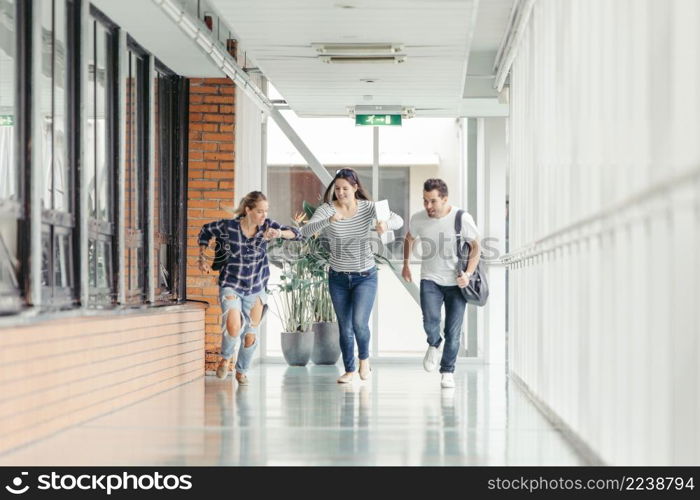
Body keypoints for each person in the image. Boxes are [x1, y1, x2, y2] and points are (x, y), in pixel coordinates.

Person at [300, 168, 403, 383]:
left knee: (359, 323)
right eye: (337, 189)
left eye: (345, 188)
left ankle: (364, 359)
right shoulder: (327, 210)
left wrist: (385, 224)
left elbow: (398, 220)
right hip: (338, 277)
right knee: (344, 327)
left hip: (365, 276)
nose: (340, 192)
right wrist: (327, 222)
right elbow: (306, 232)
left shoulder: (367, 208)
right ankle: (349, 370)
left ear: (355, 188)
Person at [198, 191, 301, 385]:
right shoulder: (228, 227)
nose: (264, 215)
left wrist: (278, 233)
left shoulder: (268, 227)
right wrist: (202, 256)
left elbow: (296, 234)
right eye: (260, 211)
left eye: (266, 211)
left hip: (256, 288)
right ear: (248, 210)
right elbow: (205, 231)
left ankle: (241, 371)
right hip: (232, 285)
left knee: (250, 335)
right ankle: (226, 358)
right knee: (234, 326)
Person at [402, 179, 481, 389]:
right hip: (430, 279)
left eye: (433, 201)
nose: (428, 206)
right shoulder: (418, 218)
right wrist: (406, 265)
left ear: (445, 199)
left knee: (454, 331)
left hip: (456, 283)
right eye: (425, 201)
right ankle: (434, 343)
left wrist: (469, 273)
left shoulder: (461, 218)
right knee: (430, 320)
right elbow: (409, 238)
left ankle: (447, 371)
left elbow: (476, 247)